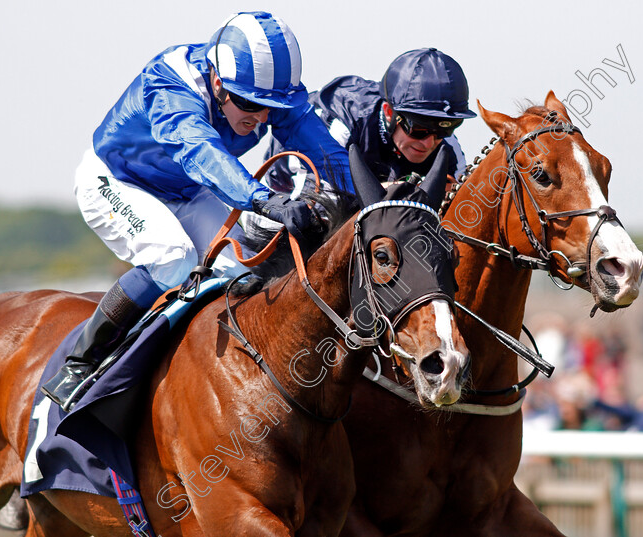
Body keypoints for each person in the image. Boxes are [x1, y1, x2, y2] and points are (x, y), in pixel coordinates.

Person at [41, 11, 353, 407]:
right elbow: (202, 153)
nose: (258, 116)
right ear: (218, 82)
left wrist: (372, 201)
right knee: (174, 258)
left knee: (240, 274)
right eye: (247, 103)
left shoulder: (266, 92)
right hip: (117, 182)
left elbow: (327, 154)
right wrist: (266, 201)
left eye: (269, 107)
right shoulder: (170, 84)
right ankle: (81, 363)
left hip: (185, 190)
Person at [264, 48, 476, 199]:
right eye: (419, 130)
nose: (430, 142)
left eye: (445, 129)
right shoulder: (344, 125)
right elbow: (315, 199)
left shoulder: (448, 149)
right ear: (389, 112)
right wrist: (392, 191)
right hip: (286, 188)